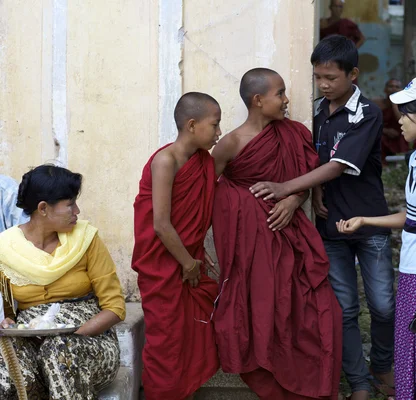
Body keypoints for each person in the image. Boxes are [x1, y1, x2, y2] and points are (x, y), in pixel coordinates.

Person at [249, 35, 395, 400]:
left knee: (382, 304)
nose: (324, 85)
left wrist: (286, 188)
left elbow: (336, 166)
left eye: (331, 78)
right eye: (318, 77)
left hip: (370, 222)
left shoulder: (369, 114)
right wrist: (310, 193)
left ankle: (382, 365)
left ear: (354, 75)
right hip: (330, 227)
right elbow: (311, 161)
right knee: (343, 308)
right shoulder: (316, 112)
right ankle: (359, 382)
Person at [210, 68, 342, 400]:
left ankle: (310, 385)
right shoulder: (230, 144)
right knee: (262, 310)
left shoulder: (295, 133)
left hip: (291, 238)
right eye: (280, 94)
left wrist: (294, 201)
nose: (286, 101)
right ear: (258, 100)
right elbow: (208, 192)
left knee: (315, 309)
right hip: (250, 246)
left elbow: (306, 181)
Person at [337, 77, 416, 399]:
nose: (399, 122)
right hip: (411, 270)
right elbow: (413, 217)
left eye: (404, 115)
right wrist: (365, 220)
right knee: (409, 353)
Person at [0, 165, 126, 398]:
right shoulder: (6, 249)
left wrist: (71, 334)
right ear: (43, 209)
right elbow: (8, 313)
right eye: (70, 204)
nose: (77, 211)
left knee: (58, 352)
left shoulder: (86, 239)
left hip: (89, 344)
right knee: (4, 360)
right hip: (33, 342)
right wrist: (8, 324)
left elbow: (115, 308)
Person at [132, 92, 222, 400]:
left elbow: (191, 219)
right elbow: (160, 223)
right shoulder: (165, 161)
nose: (219, 132)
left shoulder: (203, 162)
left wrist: (198, 251)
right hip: (164, 265)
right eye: (215, 124)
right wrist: (188, 263)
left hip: (186, 259)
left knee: (190, 340)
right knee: (166, 342)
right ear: (192, 125)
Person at [374, 78, 411, 161]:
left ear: (401, 90)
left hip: (399, 135)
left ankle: (400, 165)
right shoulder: (378, 104)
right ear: (385, 89)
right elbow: (370, 124)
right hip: (382, 134)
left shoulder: (405, 105)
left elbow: (401, 121)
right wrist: (385, 131)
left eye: (397, 87)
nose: (394, 89)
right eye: (391, 86)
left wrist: (394, 103)